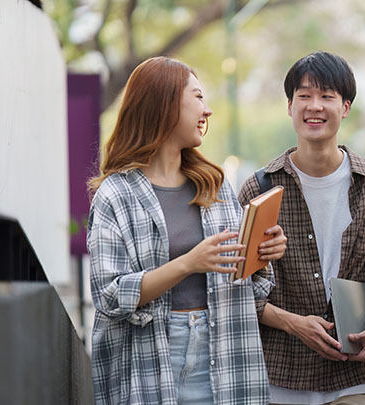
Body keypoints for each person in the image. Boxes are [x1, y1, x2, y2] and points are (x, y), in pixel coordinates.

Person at [87, 56, 286, 405]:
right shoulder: (115, 194)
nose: (207, 111)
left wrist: (261, 254)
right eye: (197, 97)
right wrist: (188, 263)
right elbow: (109, 295)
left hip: (223, 348)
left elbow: (250, 287)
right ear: (164, 104)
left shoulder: (215, 185)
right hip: (152, 355)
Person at [238, 51, 365, 405]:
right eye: (304, 95)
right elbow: (240, 286)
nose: (314, 106)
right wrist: (292, 322)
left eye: (327, 96)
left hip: (357, 374)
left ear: (345, 107)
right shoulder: (259, 190)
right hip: (280, 376)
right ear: (289, 105)